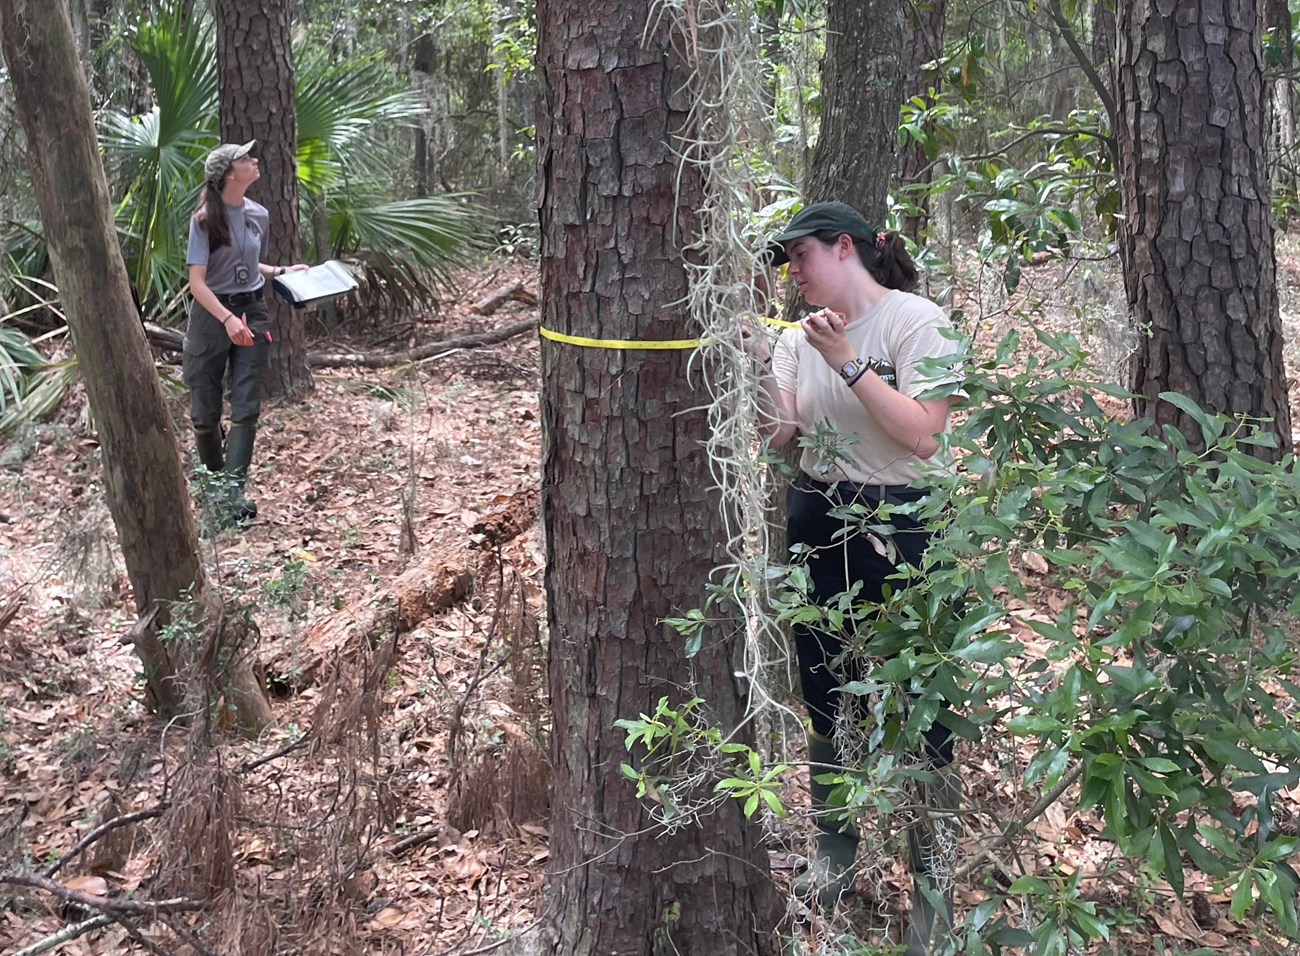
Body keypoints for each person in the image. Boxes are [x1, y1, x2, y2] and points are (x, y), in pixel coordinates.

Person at [746, 201, 963, 951]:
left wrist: (847, 363)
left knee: (922, 706)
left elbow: (925, 435)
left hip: (908, 525)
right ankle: (835, 856)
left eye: (800, 255)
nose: (792, 272)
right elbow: (779, 435)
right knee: (824, 690)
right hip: (817, 517)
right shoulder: (791, 340)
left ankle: (934, 886)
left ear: (845, 248)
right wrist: (743, 374)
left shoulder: (916, 321)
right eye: (785, 262)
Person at [184, 141, 306, 524]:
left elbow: (251, 265)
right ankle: (216, 495)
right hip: (212, 315)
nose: (255, 160)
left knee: (246, 406)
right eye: (245, 158)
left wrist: (282, 272)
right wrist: (226, 319)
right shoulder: (204, 220)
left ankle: (230, 501)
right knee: (205, 411)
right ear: (228, 174)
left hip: (252, 310)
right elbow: (196, 283)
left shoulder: (259, 214)